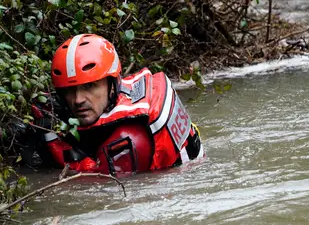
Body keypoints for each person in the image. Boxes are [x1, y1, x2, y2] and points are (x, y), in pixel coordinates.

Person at [31, 34, 204, 176]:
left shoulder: (131, 139)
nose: (78, 100)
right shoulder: (117, 93)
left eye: (89, 86)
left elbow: (97, 190)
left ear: (112, 85)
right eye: (70, 90)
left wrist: (56, 147)